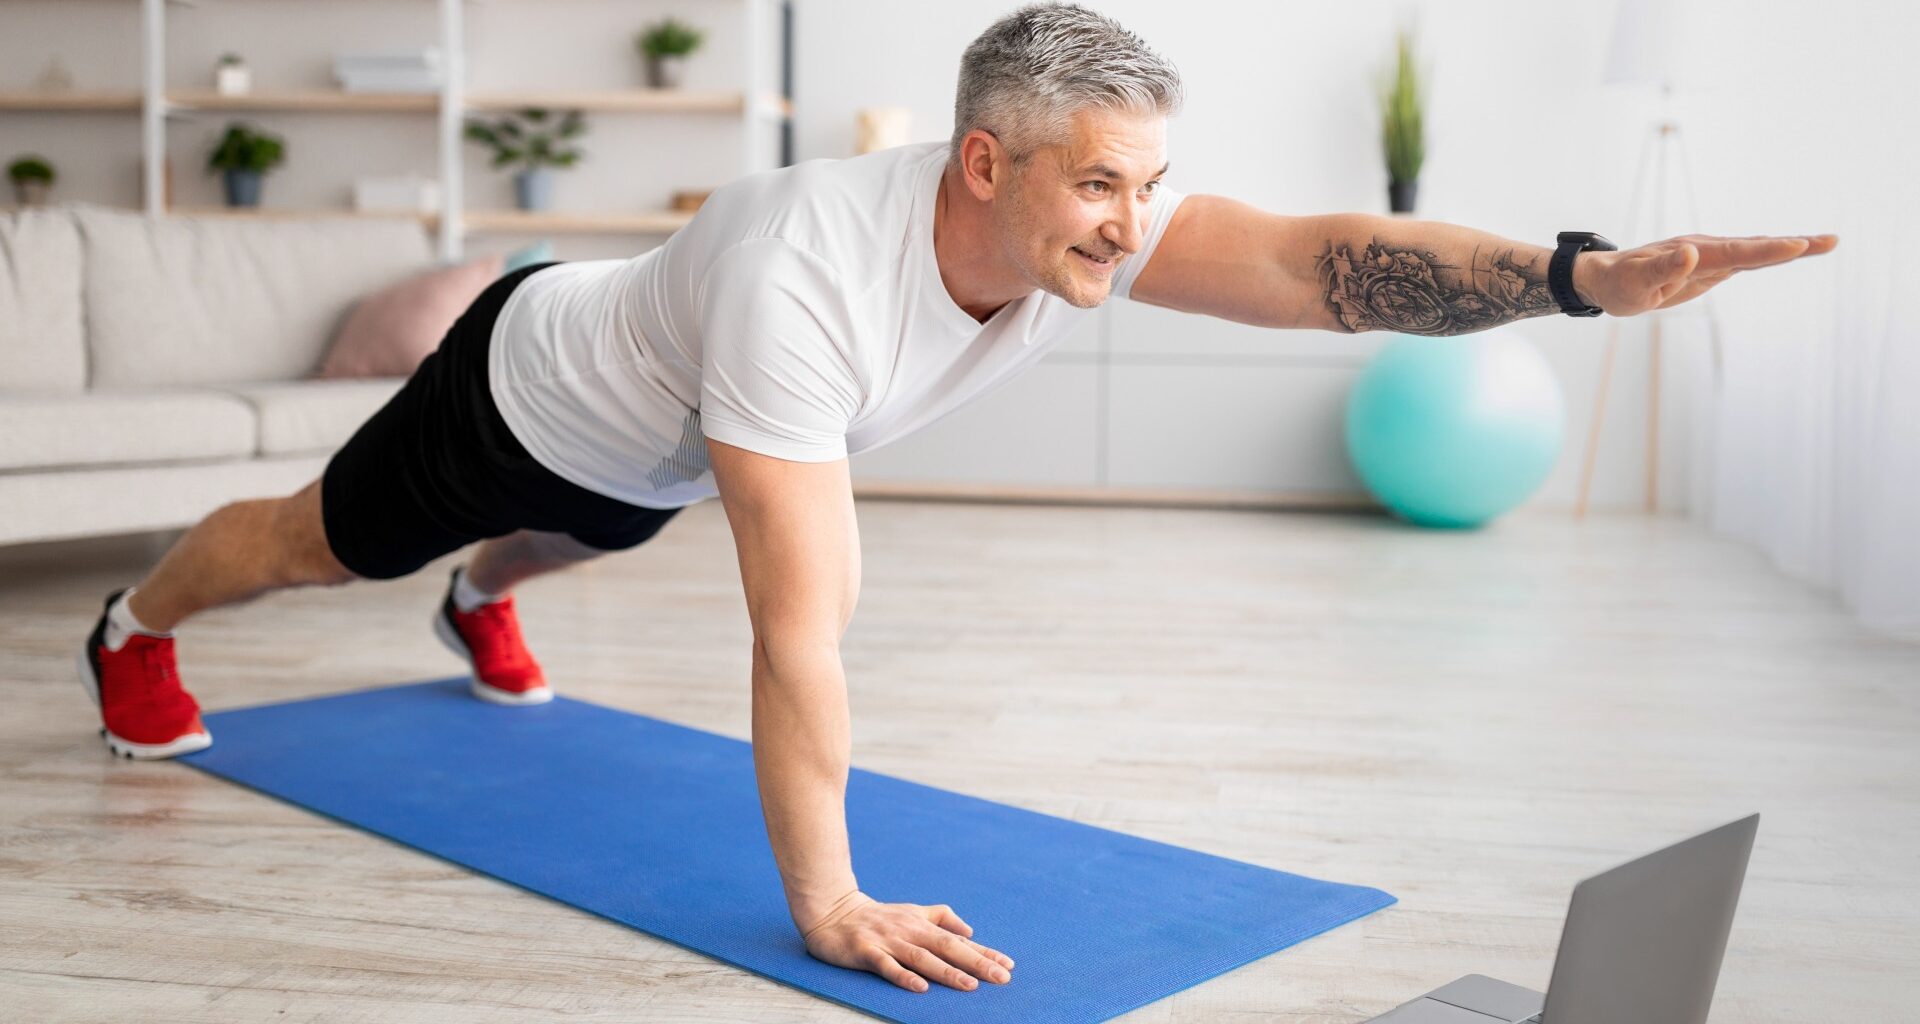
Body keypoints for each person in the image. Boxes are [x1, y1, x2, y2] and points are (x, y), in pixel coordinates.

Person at [75, 0, 1836, 997]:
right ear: (985, 162)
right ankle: (132, 621)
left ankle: (488, 596)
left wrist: (1577, 275)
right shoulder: (803, 287)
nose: (1131, 227)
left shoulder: (1079, 217)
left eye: (1148, 189)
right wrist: (827, 898)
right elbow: (802, 630)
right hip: (523, 393)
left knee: (604, 527)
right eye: (1099, 188)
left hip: (661, 436)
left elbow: (1320, 264)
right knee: (320, 544)